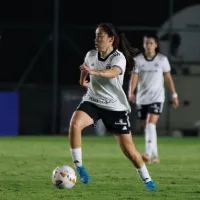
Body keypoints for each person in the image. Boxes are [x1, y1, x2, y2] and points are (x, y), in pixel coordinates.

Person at [68, 23, 157, 191]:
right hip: (93, 101)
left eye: (100, 36)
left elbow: (113, 73)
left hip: (115, 107)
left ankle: (147, 180)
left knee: (129, 151)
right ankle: (79, 167)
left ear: (111, 39)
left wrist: (95, 72)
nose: (97, 39)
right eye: (95, 36)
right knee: (75, 124)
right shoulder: (91, 55)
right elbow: (83, 80)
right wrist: (83, 76)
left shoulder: (118, 57)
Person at [128, 34, 179, 164]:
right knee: (147, 127)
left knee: (151, 124)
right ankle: (155, 155)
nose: (148, 45)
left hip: (157, 97)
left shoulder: (162, 60)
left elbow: (168, 78)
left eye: (151, 43)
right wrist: (131, 92)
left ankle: (148, 153)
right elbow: (134, 77)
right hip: (142, 98)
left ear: (156, 45)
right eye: (146, 43)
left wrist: (174, 95)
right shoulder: (138, 60)